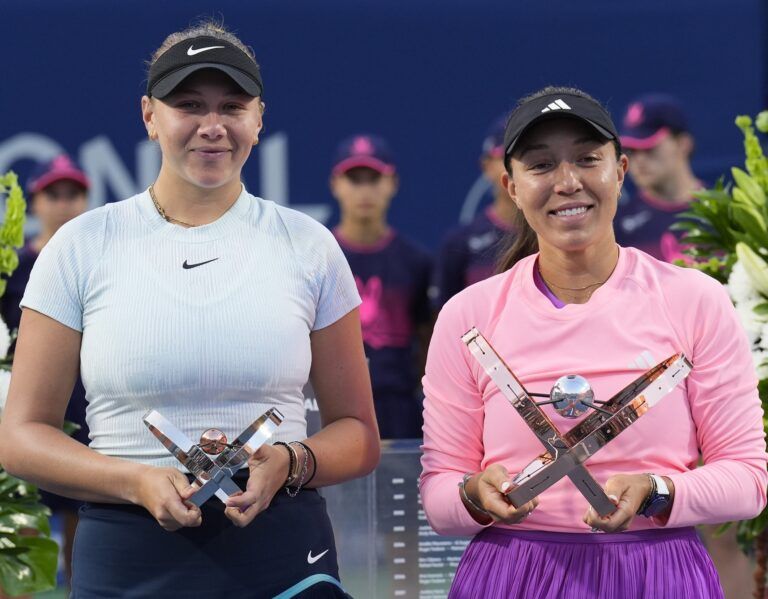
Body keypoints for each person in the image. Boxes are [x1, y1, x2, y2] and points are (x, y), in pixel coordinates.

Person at [0, 21, 379, 598]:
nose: (212, 126)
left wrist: (292, 460)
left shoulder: (309, 246)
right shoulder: (80, 247)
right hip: (126, 556)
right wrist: (134, 480)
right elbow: (21, 436)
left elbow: (357, 434)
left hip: (284, 554)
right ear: (150, 115)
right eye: (188, 105)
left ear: (259, 118)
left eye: (232, 105)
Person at [419, 86, 768, 598]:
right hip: (510, 576)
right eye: (540, 165)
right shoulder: (467, 316)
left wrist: (658, 490)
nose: (567, 182)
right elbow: (439, 496)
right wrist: (473, 495)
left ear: (620, 171)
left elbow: (747, 481)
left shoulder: (696, 300)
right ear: (510, 186)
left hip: (658, 574)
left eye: (587, 159)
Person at [0, 154, 90, 587]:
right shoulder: (11, 267)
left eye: (73, 194)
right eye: (53, 194)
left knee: (85, 530)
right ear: (34, 201)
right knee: (23, 533)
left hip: (86, 414)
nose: (64, 203)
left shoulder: (96, 263)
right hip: (27, 413)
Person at [330, 135, 433, 438]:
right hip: (331, 405)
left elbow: (428, 339)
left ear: (392, 183)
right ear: (336, 183)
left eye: (374, 179)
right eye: (354, 179)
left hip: (399, 407)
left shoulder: (417, 261)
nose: (364, 190)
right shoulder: (317, 256)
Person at [432, 116, 517, 309]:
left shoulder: (557, 234)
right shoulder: (458, 243)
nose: (517, 165)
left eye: (525, 154)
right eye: (507, 156)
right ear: (486, 166)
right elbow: (446, 321)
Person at [614, 94, 703, 262]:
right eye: (631, 150)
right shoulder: (616, 227)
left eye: (649, 147)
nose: (638, 161)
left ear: (683, 144)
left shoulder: (728, 211)